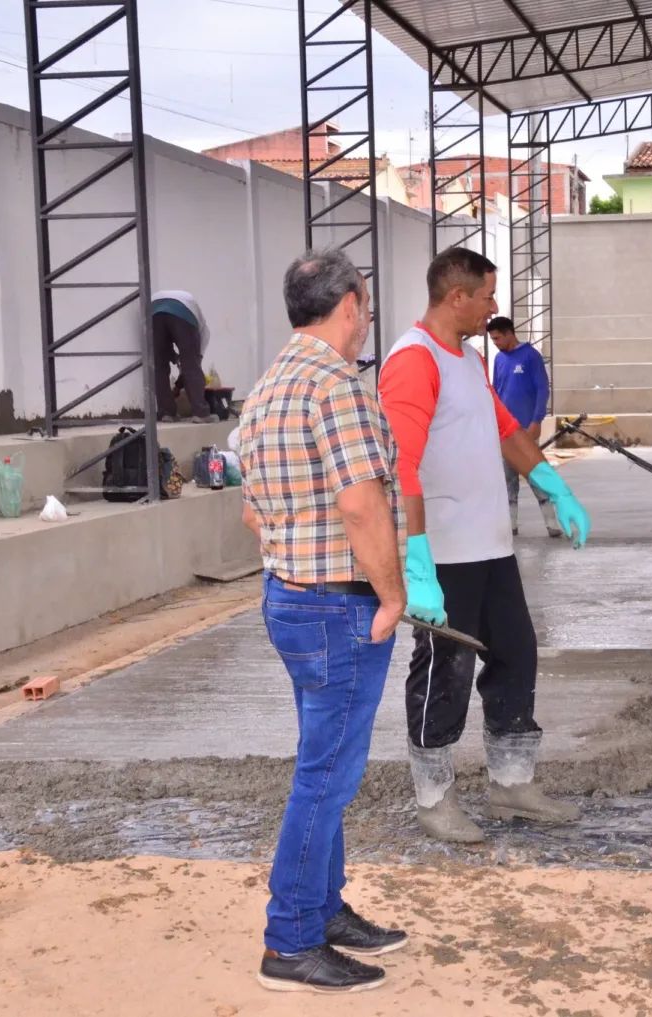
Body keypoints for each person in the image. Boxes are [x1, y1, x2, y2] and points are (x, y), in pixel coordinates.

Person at [378, 247, 592, 844]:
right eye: (487, 296)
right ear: (457, 298)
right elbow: (402, 467)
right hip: (442, 554)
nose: (495, 307)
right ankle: (434, 797)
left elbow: (505, 431)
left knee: (515, 656)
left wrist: (554, 487)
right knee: (443, 671)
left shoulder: (469, 359)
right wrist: (415, 565)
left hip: (491, 548)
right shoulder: (412, 362)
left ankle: (511, 784)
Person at [238, 249, 408, 993]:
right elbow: (361, 502)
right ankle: (292, 939)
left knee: (322, 756)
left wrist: (294, 555)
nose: (365, 320)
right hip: (340, 604)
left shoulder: (267, 388)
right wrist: (393, 592)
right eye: (365, 308)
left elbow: (252, 510)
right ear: (349, 305)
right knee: (327, 776)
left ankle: (323, 905)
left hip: (291, 595)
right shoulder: (335, 385)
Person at [488, 316, 562, 538]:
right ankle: (511, 524)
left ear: (510, 333)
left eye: (498, 338)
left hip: (525, 430)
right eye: (493, 340)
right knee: (508, 480)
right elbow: (496, 392)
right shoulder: (499, 360)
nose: (496, 343)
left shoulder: (531, 356)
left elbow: (542, 390)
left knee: (535, 476)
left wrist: (536, 421)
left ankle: (552, 524)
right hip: (504, 432)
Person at [151, 288, 217, 423]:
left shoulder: (198, 324)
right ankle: (201, 413)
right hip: (182, 309)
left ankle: (166, 413)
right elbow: (193, 362)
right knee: (191, 365)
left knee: (159, 366)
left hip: (154, 310)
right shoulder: (203, 334)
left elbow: (165, 350)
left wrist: (174, 357)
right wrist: (188, 360)